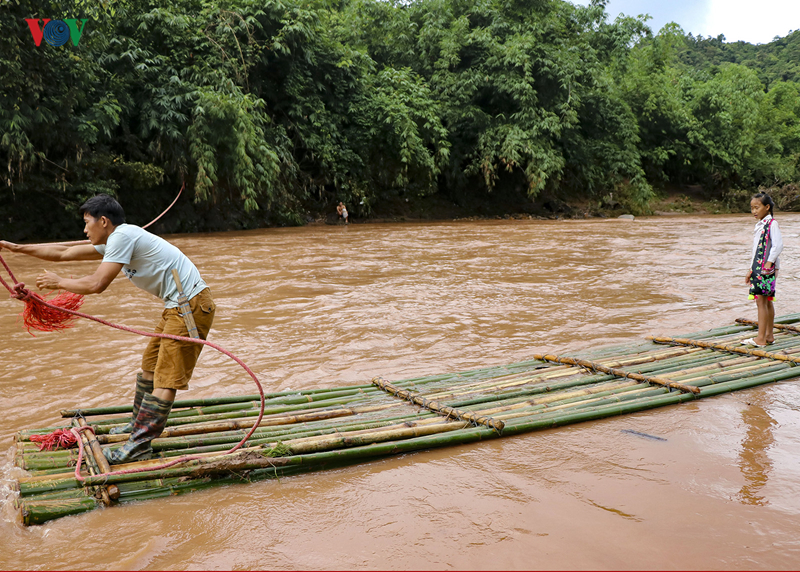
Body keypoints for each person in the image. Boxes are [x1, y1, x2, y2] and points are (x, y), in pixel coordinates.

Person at [0, 194, 215, 464]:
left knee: (166, 378)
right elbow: (63, 252)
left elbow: (97, 284)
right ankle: (137, 425)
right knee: (149, 366)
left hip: (190, 305)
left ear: (103, 221)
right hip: (177, 306)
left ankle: (139, 444)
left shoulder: (122, 237)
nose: (84, 230)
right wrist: (14, 248)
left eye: (87, 222)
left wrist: (59, 282)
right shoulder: (116, 240)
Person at [743, 192, 783, 347]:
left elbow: (778, 245)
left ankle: (760, 339)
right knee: (766, 301)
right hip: (759, 267)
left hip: (765, 268)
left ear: (767, 207)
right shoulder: (760, 224)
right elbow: (756, 250)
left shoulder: (772, 223)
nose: (754, 211)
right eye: (752, 208)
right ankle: (769, 335)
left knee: (761, 301)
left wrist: (769, 263)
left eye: (757, 207)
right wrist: (750, 269)